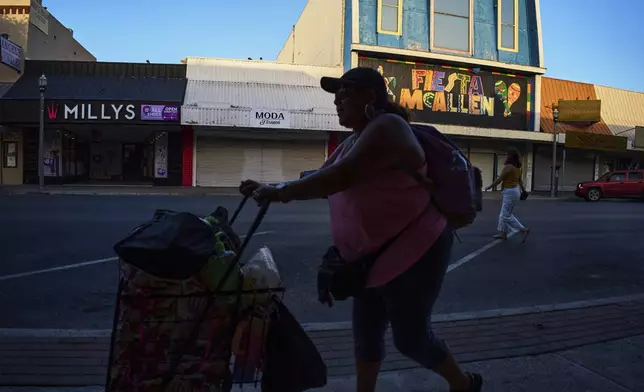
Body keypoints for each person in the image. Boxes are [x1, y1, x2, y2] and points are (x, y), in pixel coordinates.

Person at [240, 67, 482, 392]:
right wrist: (273, 185)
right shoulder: (354, 138)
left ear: (370, 95)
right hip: (370, 256)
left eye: (345, 92)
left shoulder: (389, 127)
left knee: (410, 338)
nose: (337, 100)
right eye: (335, 93)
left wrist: (280, 193)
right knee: (365, 334)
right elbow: (324, 177)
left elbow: (340, 176)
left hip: (414, 250)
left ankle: (463, 384)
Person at [485, 148, 531, 242]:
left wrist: (489, 187)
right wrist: (523, 191)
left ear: (510, 156)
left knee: (505, 215)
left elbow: (500, 179)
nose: (506, 156)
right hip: (515, 191)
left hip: (509, 192)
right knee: (505, 213)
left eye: (507, 155)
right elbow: (520, 181)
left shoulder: (508, 167)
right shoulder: (518, 168)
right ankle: (503, 234)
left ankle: (523, 230)